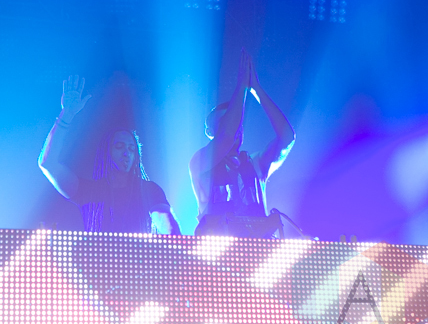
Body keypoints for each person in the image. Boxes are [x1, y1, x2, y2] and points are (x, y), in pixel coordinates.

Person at [39, 75, 181, 235]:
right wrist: (67, 114)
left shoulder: (149, 190)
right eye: (119, 146)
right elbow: (47, 163)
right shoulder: (88, 190)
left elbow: (166, 223)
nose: (127, 153)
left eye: (131, 149)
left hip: (138, 252)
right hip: (96, 253)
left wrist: (175, 242)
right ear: (107, 152)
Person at [189, 49, 295, 236]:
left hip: (259, 250)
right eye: (226, 121)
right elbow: (226, 137)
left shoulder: (256, 163)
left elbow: (287, 137)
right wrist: (241, 88)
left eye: (238, 121)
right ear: (209, 132)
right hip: (216, 250)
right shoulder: (199, 162)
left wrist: (257, 90)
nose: (235, 126)